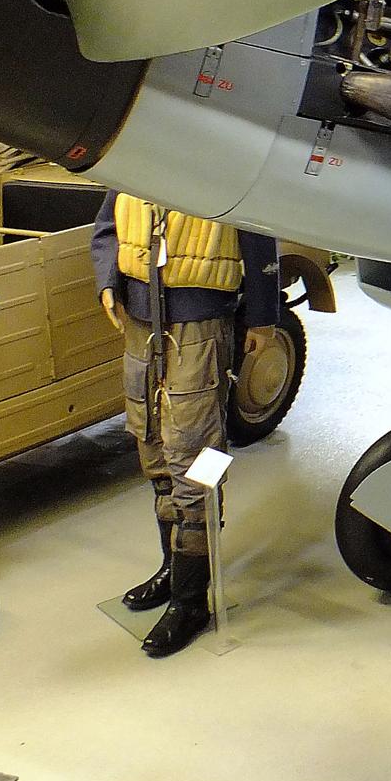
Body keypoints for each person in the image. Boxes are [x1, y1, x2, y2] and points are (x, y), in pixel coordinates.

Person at [91, 191, 279, 657]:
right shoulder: (136, 152)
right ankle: (173, 570)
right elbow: (108, 223)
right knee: (150, 441)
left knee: (193, 453)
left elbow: (256, 229)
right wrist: (108, 281)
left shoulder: (214, 154)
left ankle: (192, 601)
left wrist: (261, 315)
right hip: (140, 315)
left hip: (198, 316)